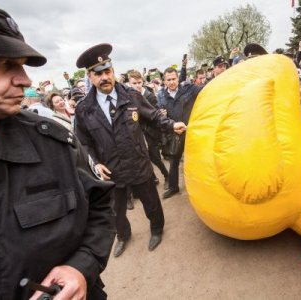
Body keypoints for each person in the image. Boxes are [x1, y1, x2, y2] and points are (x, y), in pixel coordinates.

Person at [0, 1, 116, 299]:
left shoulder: (51, 140)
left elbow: (100, 206)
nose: (24, 80)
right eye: (4, 63)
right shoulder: (82, 113)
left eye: (23, 65)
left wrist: (81, 266)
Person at [74, 43, 186, 257]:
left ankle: (156, 229)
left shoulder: (131, 96)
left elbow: (153, 115)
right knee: (116, 211)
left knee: (151, 202)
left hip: (138, 162)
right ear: (90, 76)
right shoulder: (83, 109)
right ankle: (123, 236)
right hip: (111, 169)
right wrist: (95, 163)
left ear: (113, 71)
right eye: (98, 74)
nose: (104, 77)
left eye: (107, 71)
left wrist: (171, 125)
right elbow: (83, 142)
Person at [157, 63, 204, 199]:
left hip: (191, 133)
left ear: (178, 79)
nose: (171, 82)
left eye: (173, 79)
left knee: (197, 161)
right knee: (174, 162)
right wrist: (162, 114)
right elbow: (159, 116)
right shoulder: (161, 96)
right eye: (168, 80)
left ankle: (201, 187)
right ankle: (173, 187)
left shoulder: (188, 89)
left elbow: (206, 90)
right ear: (164, 81)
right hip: (175, 135)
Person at [127, 69, 169, 189]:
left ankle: (166, 175)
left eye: (139, 82)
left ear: (142, 82)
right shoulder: (128, 96)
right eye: (134, 83)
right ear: (129, 83)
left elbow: (154, 113)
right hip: (138, 133)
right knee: (144, 158)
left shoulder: (149, 96)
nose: (137, 85)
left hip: (150, 132)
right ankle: (153, 178)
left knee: (155, 156)